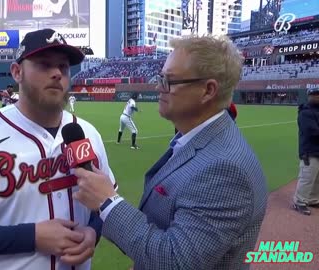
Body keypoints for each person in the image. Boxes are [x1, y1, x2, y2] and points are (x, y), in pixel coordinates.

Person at [72, 35, 268, 270]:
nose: (158, 87)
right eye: (161, 77)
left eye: (169, 80)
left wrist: (108, 203)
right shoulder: (196, 139)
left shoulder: (225, 169)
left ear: (207, 90)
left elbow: (173, 261)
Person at [0, 28, 117, 270]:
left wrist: (93, 232)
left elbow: (105, 204)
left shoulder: (87, 134)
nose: (56, 73)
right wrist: (33, 237)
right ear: (17, 72)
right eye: (43, 65)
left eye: (63, 66)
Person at [292, 87, 319, 215]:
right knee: (307, 177)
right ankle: (299, 201)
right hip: (309, 151)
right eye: (314, 95)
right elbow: (312, 132)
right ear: (309, 97)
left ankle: (313, 199)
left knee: (316, 178)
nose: (317, 97)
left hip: (317, 150)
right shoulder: (305, 112)